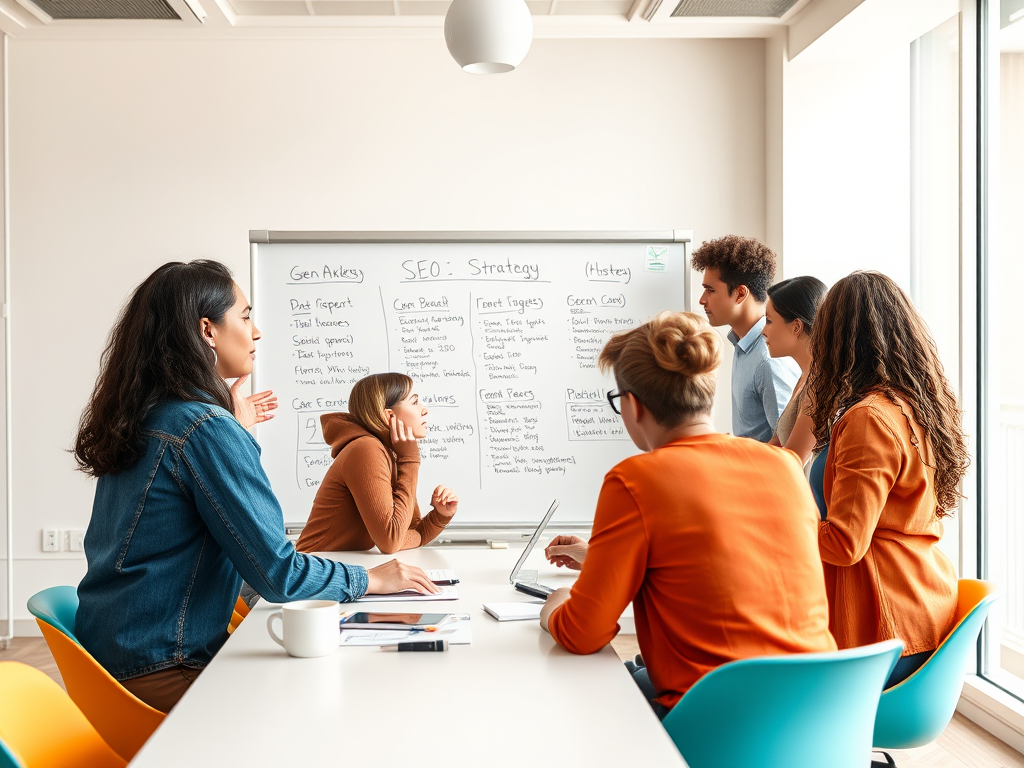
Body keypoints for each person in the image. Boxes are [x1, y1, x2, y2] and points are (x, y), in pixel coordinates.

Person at [73, 260, 438, 713]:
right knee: (336, 703)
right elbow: (277, 575)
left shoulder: (149, 417)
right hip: (164, 666)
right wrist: (370, 579)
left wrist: (233, 431)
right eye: (245, 316)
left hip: (112, 661)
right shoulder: (202, 428)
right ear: (207, 330)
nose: (256, 331)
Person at [540, 311, 835, 718]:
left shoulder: (635, 480)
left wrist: (555, 606)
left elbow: (582, 633)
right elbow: (715, 561)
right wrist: (599, 559)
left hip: (717, 725)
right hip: (821, 714)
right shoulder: (782, 465)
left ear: (632, 406)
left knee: (582, 695)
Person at [807, 271, 967, 688]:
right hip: (921, 612)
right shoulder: (914, 404)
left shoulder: (868, 419)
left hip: (886, 635)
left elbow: (844, 543)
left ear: (841, 341)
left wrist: (778, 522)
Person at [296, 373, 458, 554]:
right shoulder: (366, 449)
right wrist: (410, 460)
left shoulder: (388, 453)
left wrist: (440, 515)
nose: (424, 409)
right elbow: (391, 541)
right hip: (314, 570)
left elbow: (410, 530)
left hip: (342, 566)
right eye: (414, 402)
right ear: (390, 416)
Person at [691, 235, 800, 442]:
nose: (702, 300)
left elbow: (788, 449)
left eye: (710, 290)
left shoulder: (768, 359)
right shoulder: (743, 346)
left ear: (740, 294)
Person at [762, 275, 827, 465]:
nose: (763, 330)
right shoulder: (805, 377)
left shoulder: (818, 386)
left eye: (769, 321)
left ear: (796, 327)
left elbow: (792, 460)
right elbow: (775, 444)